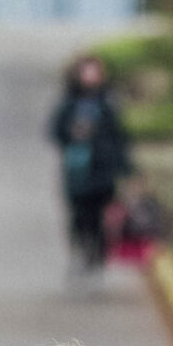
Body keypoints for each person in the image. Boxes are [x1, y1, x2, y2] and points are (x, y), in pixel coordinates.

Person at [49, 55, 131, 274]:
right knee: (79, 215)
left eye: (95, 71)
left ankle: (98, 254)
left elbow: (119, 137)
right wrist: (72, 133)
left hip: (103, 169)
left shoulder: (108, 103)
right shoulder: (69, 103)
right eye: (86, 71)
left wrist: (128, 169)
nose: (91, 76)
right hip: (77, 171)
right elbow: (55, 132)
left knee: (102, 214)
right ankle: (81, 252)